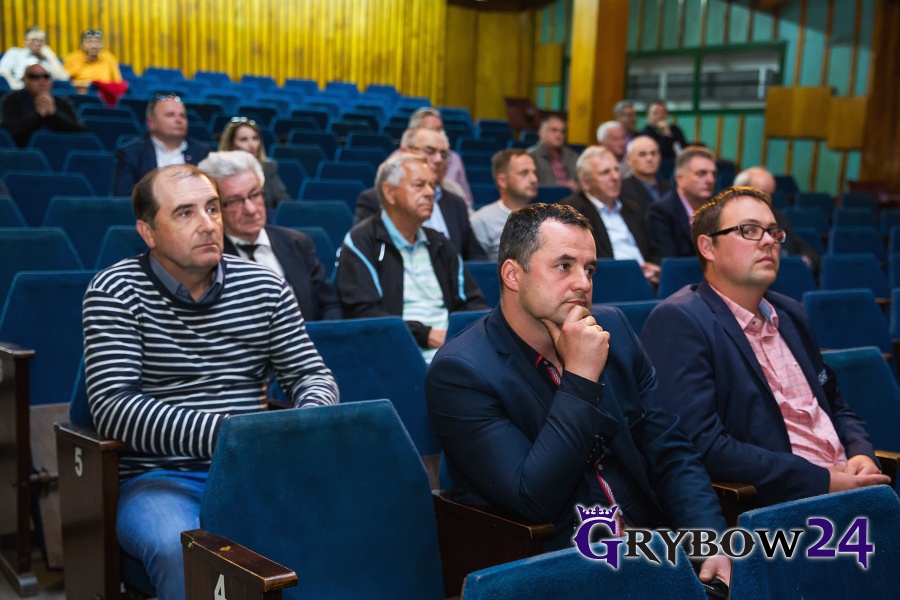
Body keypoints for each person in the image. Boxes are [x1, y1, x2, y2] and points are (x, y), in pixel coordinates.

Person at [426, 203, 731, 587]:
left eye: (589, 269)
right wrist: (581, 377)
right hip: (557, 569)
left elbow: (672, 451)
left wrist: (709, 540)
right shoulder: (460, 373)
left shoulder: (614, 329)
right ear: (513, 274)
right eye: (564, 266)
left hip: (653, 551)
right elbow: (533, 499)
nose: (583, 283)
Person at [83, 164, 338, 600]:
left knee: (345, 521)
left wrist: (307, 421)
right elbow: (114, 408)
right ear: (147, 232)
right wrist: (231, 435)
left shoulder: (265, 286)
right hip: (161, 477)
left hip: (258, 468)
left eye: (213, 208)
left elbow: (311, 374)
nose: (207, 224)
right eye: (185, 213)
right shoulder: (115, 291)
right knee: (179, 549)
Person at [641, 186, 889, 506]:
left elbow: (834, 403)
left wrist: (861, 453)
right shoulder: (680, 320)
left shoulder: (790, 312)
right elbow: (703, 444)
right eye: (749, 230)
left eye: (773, 232)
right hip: (785, 503)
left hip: (850, 483)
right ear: (708, 247)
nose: (769, 241)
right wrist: (823, 481)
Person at [336, 153, 488, 362]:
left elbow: (473, 302)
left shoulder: (439, 242)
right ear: (389, 192)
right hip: (397, 354)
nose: (430, 193)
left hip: (455, 350)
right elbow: (365, 315)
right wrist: (425, 335)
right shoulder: (362, 242)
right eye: (419, 185)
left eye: (432, 185)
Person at [198, 151, 341, 321]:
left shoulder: (297, 243)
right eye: (235, 201)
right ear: (214, 209)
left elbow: (329, 304)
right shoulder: (210, 260)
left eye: (254, 195)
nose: (251, 209)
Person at [355, 126, 486, 261]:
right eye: (430, 151)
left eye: (444, 154)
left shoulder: (456, 203)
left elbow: (476, 257)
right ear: (405, 152)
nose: (439, 159)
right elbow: (364, 252)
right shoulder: (375, 199)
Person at [561, 146, 660, 285]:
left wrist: (655, 268)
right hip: (607, 284)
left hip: (648, 282)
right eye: (605, 172)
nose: (615, 177)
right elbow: (586, 261)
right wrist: (632, 273)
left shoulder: (633, 207)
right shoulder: (573, 212)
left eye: (616, 170)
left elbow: (654, 249)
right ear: (585, 182)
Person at [113, 94, 210, 196]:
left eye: (183, 116)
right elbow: (123, 200)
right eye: (170, 115)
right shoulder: (132, 153)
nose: (179, 120)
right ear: (151, 122)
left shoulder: (202, 153)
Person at [734, 166, 820, 274]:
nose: (768, 200)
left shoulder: (777, 216)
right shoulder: (731, 220)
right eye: (762, 194)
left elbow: (798, 245)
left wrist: (806, 260)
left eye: (771, 195)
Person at [645, 146, 717, 258]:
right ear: (680, 179)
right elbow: (672, 262)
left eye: (713, 174)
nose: (710, 180)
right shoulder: (661, 212)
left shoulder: (719, 209)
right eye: (701, 173)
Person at [470, 149, 538, 262]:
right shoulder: (481, 220)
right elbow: (478, 267)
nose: (534, 179)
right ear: (502, 181)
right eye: (524, 173)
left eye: (534, 172)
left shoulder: (544, 217)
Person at [0, 61, 85, 147]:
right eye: (34, 77)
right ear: (24, 80)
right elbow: (8, 131)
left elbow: (80, 133)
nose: (41, 81)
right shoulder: (12, 100)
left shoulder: (62, 102)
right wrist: (38, 115)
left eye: (46, 76)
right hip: (23, 151)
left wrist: (54, 114)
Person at [217, 117, 290, 208]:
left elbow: (284, 203)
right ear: (231, 145)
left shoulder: (268, 168)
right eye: (244, 139)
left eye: (255, 138)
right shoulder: (218, 172)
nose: (252, 145)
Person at [408, 107, 472, 206]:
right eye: (431, 129)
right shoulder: (399, 157)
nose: (438, 159)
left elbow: (467, 204)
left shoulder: (454, 159)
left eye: (439, 129)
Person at [0, 26, 69, 90]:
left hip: (45, 91)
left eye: (41, 40)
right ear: (25, 41)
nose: (37, 43)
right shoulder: (15, 53)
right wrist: (13, 84)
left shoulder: (47, 58)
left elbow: (63, 78)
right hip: (21, 89)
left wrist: (51, 57)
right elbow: (3, 71)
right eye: (33, 40)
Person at [526, 115, 579, 191]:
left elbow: (582, 183)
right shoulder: (530, 157)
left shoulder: (573, 156)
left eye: (562, 131)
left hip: (571, 196)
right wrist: (561, 188)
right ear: (540, 132)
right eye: (554, 130)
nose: (559, 135)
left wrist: (578, 187)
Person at [620, 135, 671, 211]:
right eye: (642, 154)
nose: (649, 158)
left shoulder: (670, 187)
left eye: (653, 153)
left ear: (659, 157)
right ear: (629, 160)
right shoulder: (622, 189)